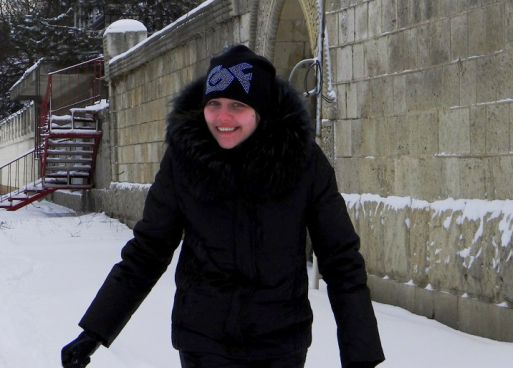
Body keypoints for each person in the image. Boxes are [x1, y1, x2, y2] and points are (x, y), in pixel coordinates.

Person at [61, 44, 385, 368]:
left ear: (260, 110)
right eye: (213, 104)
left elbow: (341, 259)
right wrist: (95, 330)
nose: (222, 117)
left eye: (237, 105)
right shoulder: (185, 159)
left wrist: (361, 354)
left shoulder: (303, 162)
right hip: (203, 343)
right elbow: (148, 250)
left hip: (279, 344)